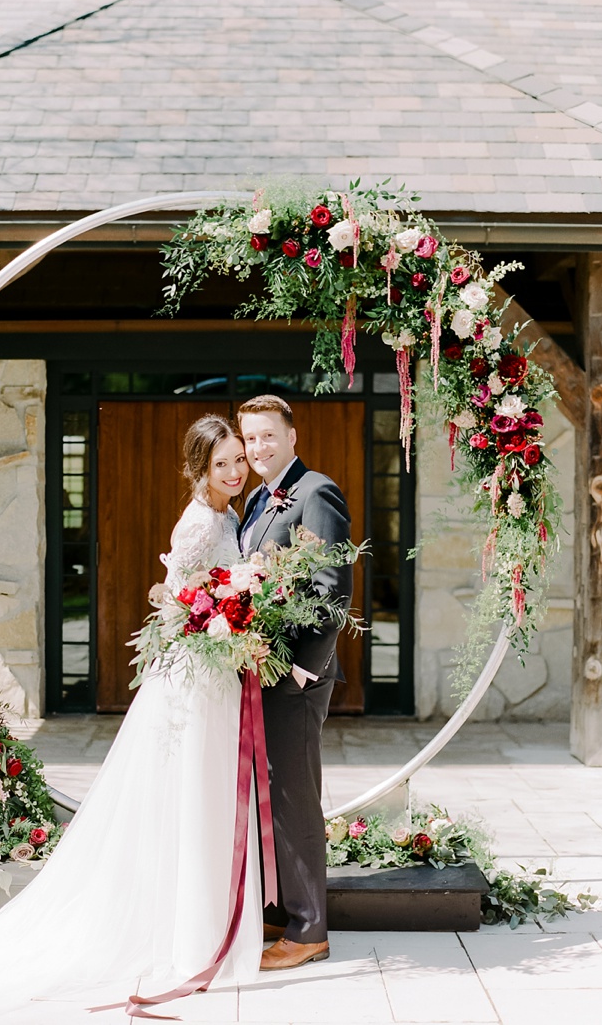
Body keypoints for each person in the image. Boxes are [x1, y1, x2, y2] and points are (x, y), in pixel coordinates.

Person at [0, 414, 262, 1013]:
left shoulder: (228, 513)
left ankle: (210, 923)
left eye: (239, 459)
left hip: (216, 672)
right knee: (190, 797)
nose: (236, 471)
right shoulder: (197, 523)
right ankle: (190, 935)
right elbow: (175, 604)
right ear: (199, 468)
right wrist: (216, 622)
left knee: (207, 797)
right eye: (223, 463)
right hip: (195, 677)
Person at [238, 394, 353, 971]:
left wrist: (307, 664)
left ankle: (310, 929)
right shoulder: (258, 499)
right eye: (250, 437)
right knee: (271, 793)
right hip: (262, 668)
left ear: (291, 437)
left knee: (295, 796)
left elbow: (333, 585)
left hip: (297, 676)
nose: (257, 447)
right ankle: (284, 911)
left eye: (267, 436)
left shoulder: (315, 492)